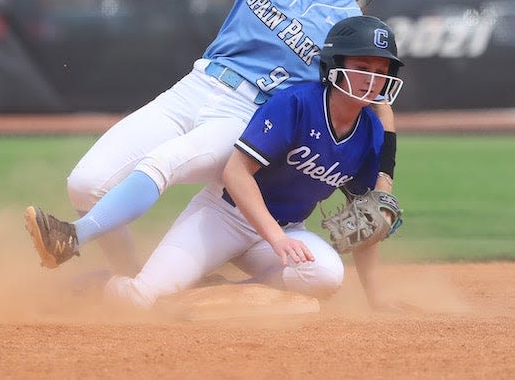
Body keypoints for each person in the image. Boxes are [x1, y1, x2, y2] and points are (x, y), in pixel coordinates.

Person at [25, 0, 398, 274]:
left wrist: (384, 184)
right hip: (198, 86)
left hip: (246, 116)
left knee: (164, 162)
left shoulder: (349, 25)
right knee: (85, 183)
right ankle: (129, 277)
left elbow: (375, 99)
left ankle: (73, 237)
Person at [102, 15, 405, 310]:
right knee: (143, 299)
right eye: (362, 67)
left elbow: (367, 219)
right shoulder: (296, 103)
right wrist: (276, 237)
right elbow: (236, 173)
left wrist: (375, 298)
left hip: (286, 230)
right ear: (335, 65)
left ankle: (222, 292)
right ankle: (104, 284)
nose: (373, 79)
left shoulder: (371, 133)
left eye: (382, 70)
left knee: (325, 274)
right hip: (224, 217)